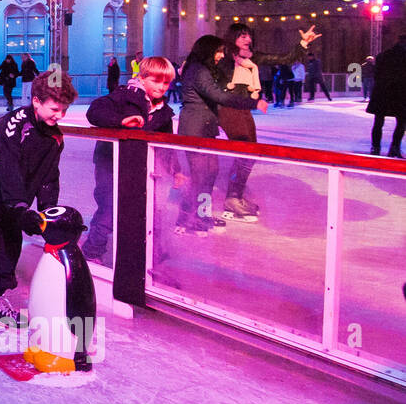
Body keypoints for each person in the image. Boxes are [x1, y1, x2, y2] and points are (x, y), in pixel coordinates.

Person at [0, 70, 78, 342]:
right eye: (54, 109)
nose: (59, 116)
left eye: (63, 110)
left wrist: (47, 212)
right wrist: (18, 207)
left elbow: (49, 175)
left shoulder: (54, 137)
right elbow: (9, 166)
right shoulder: (14, 123)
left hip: (17, 198)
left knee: (10, 248)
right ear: (36, 101)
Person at [216, 23, 318, 219]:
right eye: (242, 36)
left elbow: (285, 58)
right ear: (232, 38)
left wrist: (303, 43)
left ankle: (235, 195)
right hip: (228, 107)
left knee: (250, 152)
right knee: (245, 151)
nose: (247, 39)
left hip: (244, 106)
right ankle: (232, 198)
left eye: (249, 36)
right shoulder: (225, 58)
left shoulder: (254, 57)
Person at [82, 57, 177, 263]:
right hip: (111, 162)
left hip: (139, 165)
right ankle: (92, 251)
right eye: (156, 81)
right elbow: (95, 111)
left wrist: (175, 170)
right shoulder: (124, 95)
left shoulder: (163, 112)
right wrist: (120, 122)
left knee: (150, 209)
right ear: (142, 78)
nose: (162, 87)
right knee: (110, 207)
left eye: (166, 83)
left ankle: (152, 257)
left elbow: (166, 144)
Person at [175, 34, 266, 235]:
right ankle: (186, 219)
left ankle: (202, 214)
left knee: (210, 173)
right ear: (208, 51)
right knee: (200, 176)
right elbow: (219, 96)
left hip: (205, 128)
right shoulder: (198, 70)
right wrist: (253, 102)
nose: (220, 55)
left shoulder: (202, 69)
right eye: (218, 51)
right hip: (195, 129)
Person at [367, 34, 406, 157]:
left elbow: (376, 74)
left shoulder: (382, 55)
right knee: (401, 122)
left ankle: (375, 147)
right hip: (400, 93)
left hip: (382, 93)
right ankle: (394, 147)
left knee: (378, 121)